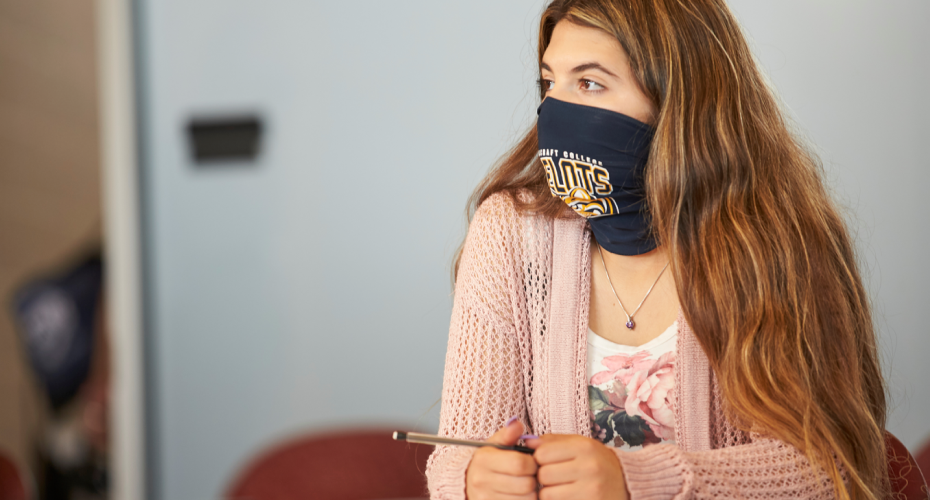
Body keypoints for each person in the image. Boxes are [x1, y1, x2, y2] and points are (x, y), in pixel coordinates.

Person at [425, 0, 888, 499]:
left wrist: (636, 482)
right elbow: (460, 452)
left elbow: (830, 468)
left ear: (677, 98)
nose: (554, 111)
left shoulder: (777, 242)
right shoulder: (510, 233)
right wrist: (473, 480)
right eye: (549, 83)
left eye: (590, 83)